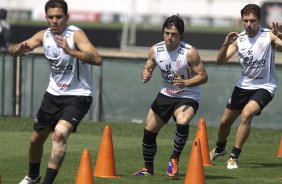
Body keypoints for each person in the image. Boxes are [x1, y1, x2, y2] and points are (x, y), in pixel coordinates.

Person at [9, 0, 102, 183]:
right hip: (53, 95)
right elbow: (12, 51)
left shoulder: (75, 34)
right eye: (51, 17)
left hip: (78, 95)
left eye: (59, 17)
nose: (54, 20)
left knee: (59, 134)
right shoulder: (44, 35)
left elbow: (97, 59)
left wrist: (71, 51)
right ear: (46, 17)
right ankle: (33, 176)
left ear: (67, 17)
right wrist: (19, 49)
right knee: (36, 139)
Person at [132, 15, 208, 178]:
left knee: (182, 120)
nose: (169, 37)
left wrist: (186, 83)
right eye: (167, 33)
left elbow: (203, 76)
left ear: (181, 35)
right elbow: (147, 67)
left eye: (174, 34)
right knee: (149, 130)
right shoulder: (155, 50)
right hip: (166, 94)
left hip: (188, 94)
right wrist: (145, 74)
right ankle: (148, 169)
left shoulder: (189, 52)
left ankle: (174, 159)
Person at [209, 4, 282, 169]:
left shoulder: (269, 35)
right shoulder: (239, 39)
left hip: (265, 86)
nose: (248, 24)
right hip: (243, 87)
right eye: (245, 21)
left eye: (252, 21)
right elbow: (220, 62)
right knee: (224, 123)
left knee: (246, 114)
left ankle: (233, 157)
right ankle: (220, 148)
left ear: (259, 20)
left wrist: (280, 37)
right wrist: (225, 44)